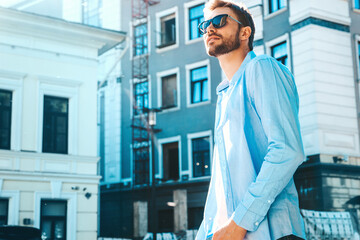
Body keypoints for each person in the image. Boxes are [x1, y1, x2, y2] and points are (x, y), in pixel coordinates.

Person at [195, 1, 306, 240]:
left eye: (219, 21)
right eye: (205, 25)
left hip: (273, 232)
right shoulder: (224, 94)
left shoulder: (261, 67)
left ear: (245, 32)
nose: (210, 29)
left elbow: (287, 150)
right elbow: (222, 182)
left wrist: (239, 223)